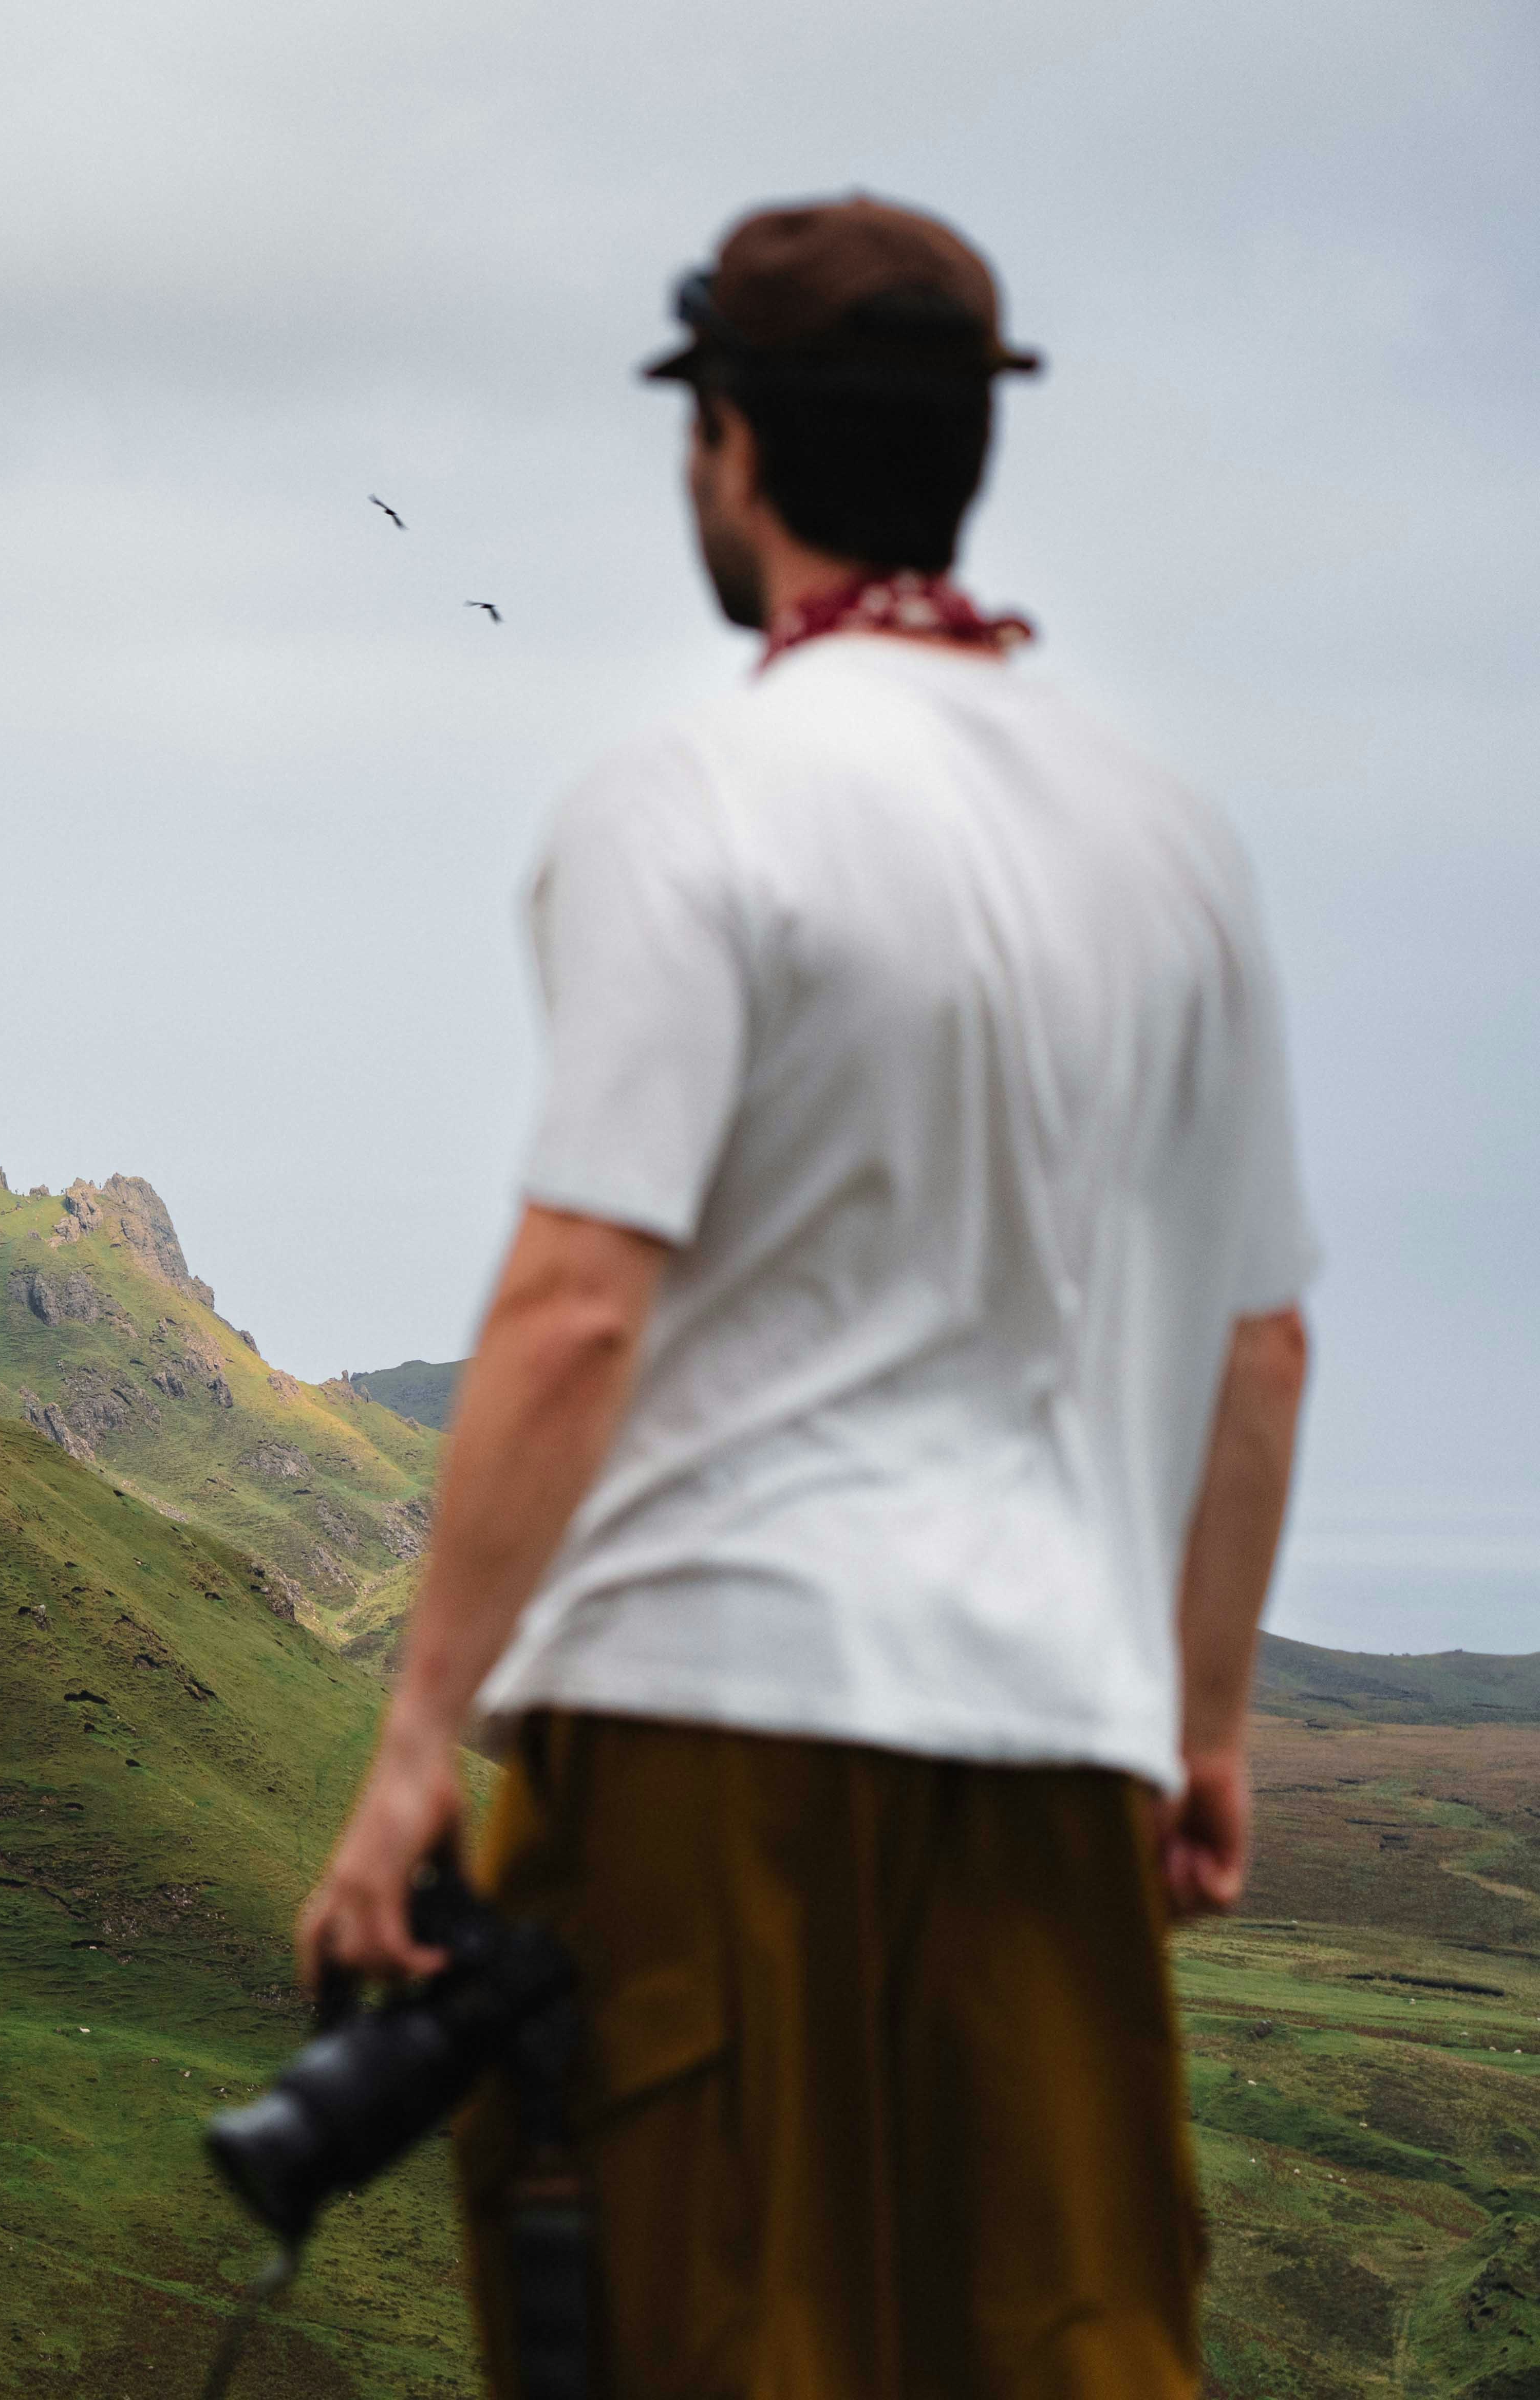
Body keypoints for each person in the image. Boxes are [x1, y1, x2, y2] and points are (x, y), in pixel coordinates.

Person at [296, 196, 1314, 2399]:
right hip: (1055, 1741)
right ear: (965, 450)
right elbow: (1261, 1342)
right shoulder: (1174, 842)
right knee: (1066, 2344)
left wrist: (407, 1757)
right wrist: (1201, 1727)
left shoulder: (692, 801)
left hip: (702, 1727)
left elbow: (580, 1299)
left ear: (731, 449)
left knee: (706, 2335)